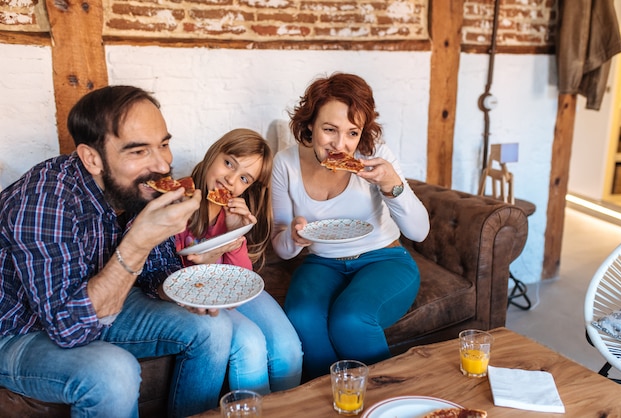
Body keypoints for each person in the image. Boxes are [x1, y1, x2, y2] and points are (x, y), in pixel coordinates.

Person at [0, 85, 233, 418]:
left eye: (164, 144)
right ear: (92, 158)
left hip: (101, 301)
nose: (163, 165)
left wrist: (194, 278)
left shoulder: (137, 188)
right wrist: (138, 240)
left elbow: (156, 273)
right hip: (17, 329)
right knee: (113, 372)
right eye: (139, 152)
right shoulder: (42, 201)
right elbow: (69, 328)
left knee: (214, 327)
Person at [271, 72, 431, 379]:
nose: (340, 146)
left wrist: (391, 183)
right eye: (329, 130)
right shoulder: (286, 163)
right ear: (309, 125)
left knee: (351, 319)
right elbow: (281, 245)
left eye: (352, 133)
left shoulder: (376, 156)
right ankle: (333, 401)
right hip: (321, 262)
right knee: (302, 317)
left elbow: (419, 232)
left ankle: (383, 401)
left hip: (385, 260)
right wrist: (293, 237)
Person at [174, 128, 302, 395]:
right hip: (195, 296)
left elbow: (242, 280)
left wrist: (235, 234)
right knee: (251, 344)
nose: (230, 180)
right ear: (213, 153)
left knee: (289, 348)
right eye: (229, 163)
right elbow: (166, 272)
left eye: (244, 177)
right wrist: (202, 262)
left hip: (232, 287)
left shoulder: (233, 210)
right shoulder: (178, 198)